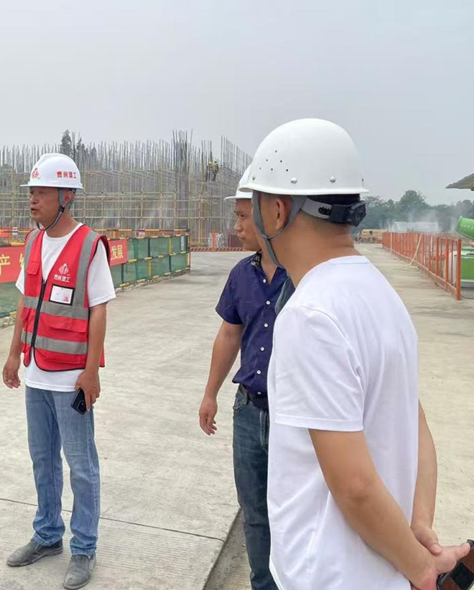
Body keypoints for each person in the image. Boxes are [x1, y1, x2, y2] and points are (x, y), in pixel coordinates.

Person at [243, 118, 470, 590]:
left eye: (256, 204)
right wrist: (419, 526)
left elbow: (355, 487)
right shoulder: (381, 294)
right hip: (380, 571)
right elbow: (417, 427)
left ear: (277, 212)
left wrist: (422, 569)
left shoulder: (310, 315)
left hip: (327, 576)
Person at [1, 153, 115, 590]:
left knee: (81, 465)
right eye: (31, 192)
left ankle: (84, 548)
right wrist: (14, 355)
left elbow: (99, 309)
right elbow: (25, 303)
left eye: (42, 193)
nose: (33, 200)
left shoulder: (89, 246)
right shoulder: (33, 242)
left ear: (67, 197)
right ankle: (48, 535)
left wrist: (91, 371)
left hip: (71, 379)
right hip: (36, 374)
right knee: (43, 460)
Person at [199, 165, 284, 590]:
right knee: (254, 512)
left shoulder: (305, 275)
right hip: (249, 410)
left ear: (271, 214)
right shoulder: (241, 275)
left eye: (242, 216)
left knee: (295, 511)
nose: (236, 226)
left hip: (293, 416)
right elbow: (229, 334)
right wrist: (210, 393)